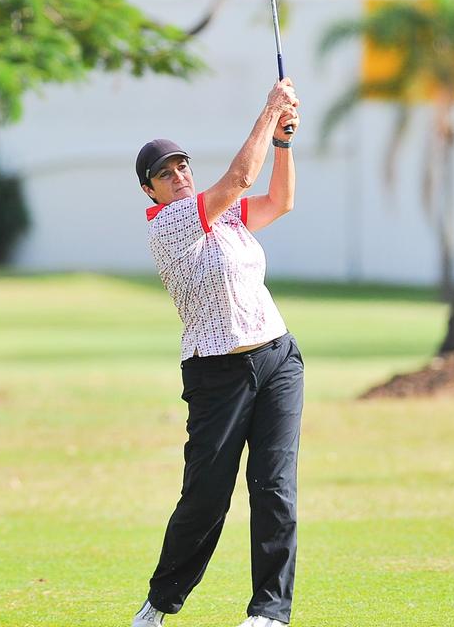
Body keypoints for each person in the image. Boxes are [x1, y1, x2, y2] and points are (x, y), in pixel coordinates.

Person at [131, 79, 304, 627]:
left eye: (182, 166)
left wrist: (283, 143)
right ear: (150, 192)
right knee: (206, 496)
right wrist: (269, 109)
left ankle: (269, 613)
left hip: (277, 359)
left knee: (275, 487)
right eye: (165, 173)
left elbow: (280, 200)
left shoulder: (224, 216)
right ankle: (160, 603)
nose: (178, 175)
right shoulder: (171, 225)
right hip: (217, 372)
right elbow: (238, 178)